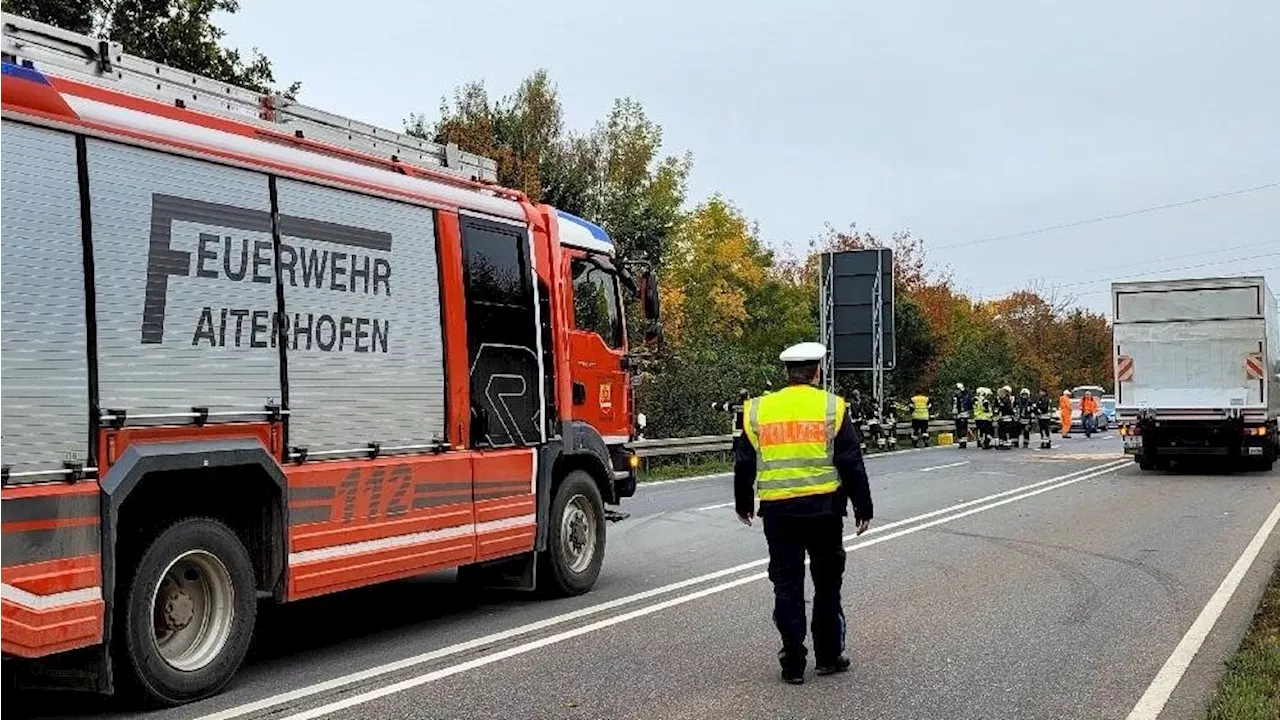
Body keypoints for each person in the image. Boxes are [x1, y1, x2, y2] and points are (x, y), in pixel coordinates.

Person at [735, 342, 874, 685]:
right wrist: (863, 506)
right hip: (825, 511)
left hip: (778, 514)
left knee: (787, 585)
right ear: (817, 371)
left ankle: (793, 663)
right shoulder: (832, 407)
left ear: (787, 372)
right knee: (827, 586)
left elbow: (743, 461)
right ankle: (828, 657)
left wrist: (743, 503)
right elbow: (850, 460)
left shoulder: (758, 409)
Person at [952, 383, 973, 449]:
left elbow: (969, 405)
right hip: (959, 414)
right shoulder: (956, 397)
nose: (956, 391)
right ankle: (961, 441)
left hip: (962, 413)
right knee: (960, 428)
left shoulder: (964, 397)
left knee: (962, 428)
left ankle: (963, 442)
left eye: (957, 389)